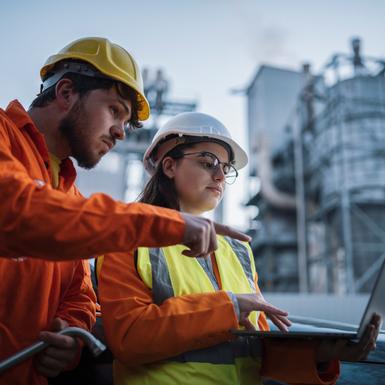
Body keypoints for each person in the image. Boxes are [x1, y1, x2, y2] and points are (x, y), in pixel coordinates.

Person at [0, 39, 249, 385]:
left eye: (126, 120)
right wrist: (168, 223)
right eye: (115, 110)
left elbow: (80, 294)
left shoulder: (68, 192)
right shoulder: (4, 139)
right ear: (67, 92)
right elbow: (16, 211)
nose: (120, 131)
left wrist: (72, 333)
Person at [98, 112, 382, 385]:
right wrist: (229, 307)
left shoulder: (238, 251)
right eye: (208, 162)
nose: (221, 176)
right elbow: (130, 337)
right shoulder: (127, 238)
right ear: (169, 166)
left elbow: (251, 350)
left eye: (226, 167)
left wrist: (323, 356)